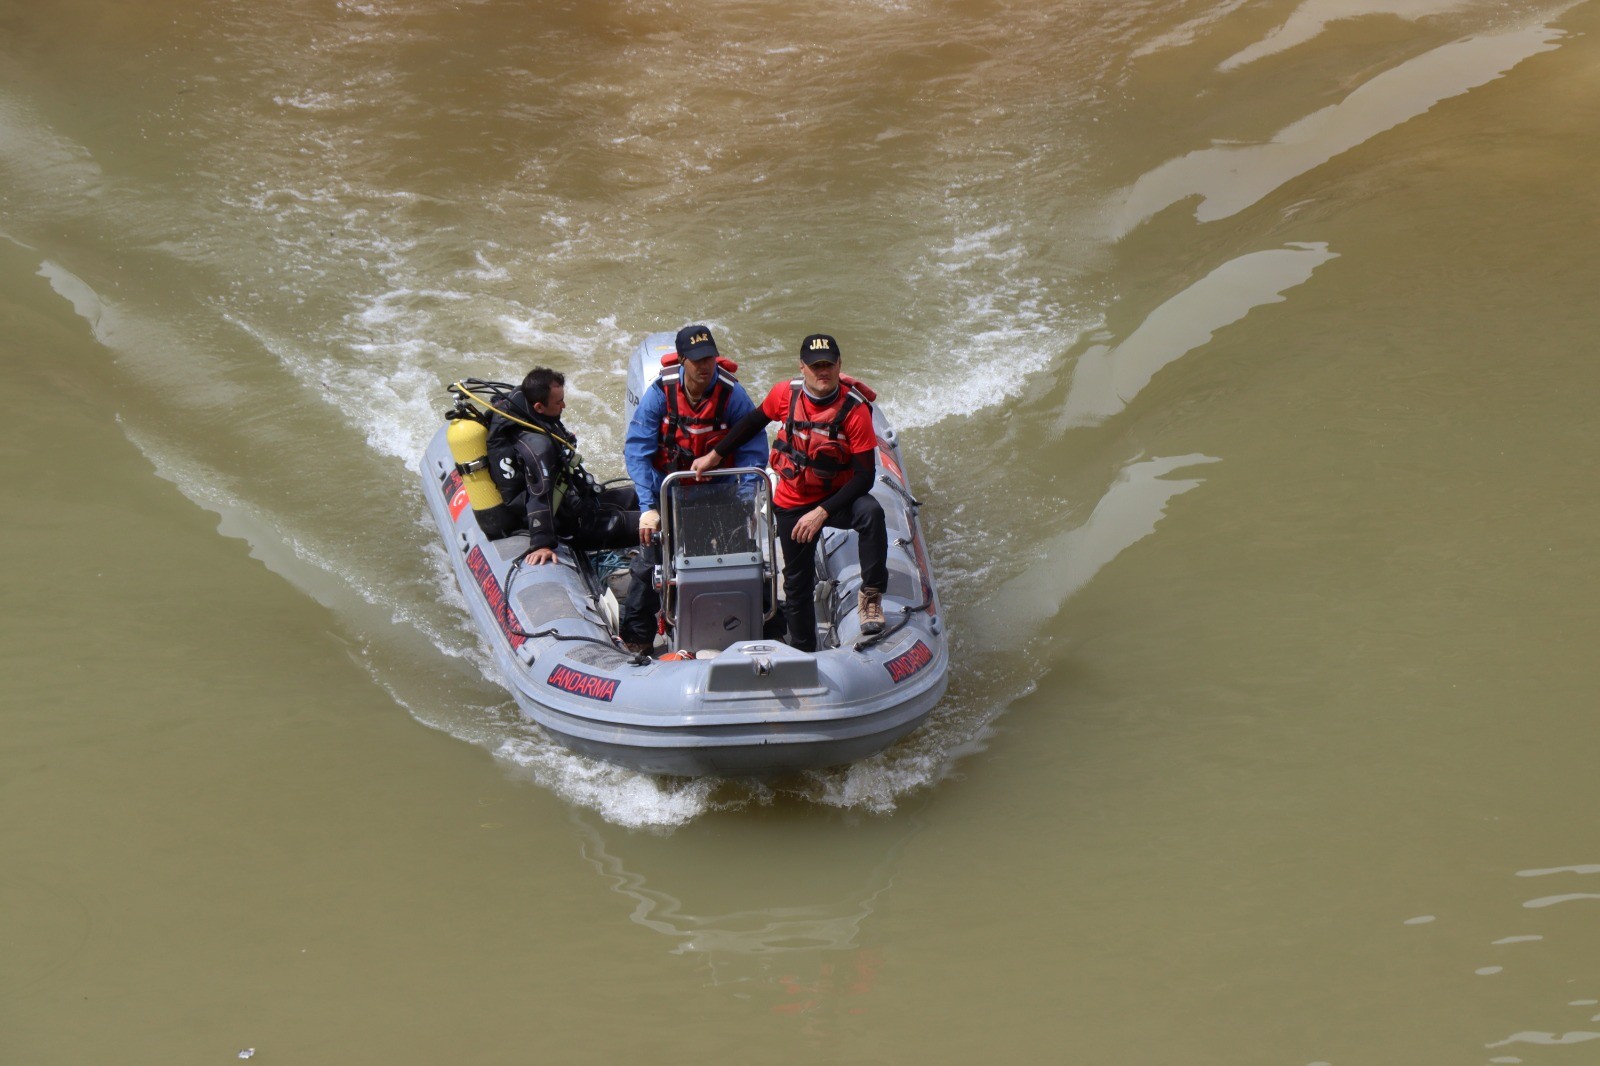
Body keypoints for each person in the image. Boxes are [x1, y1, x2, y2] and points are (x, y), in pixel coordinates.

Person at [692, 333, 887, 649]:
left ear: (839, 365)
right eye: (815, 366)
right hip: (794, 503)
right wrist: (715, 455)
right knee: (797, 586)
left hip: (837, 501)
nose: (821, 372)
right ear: (802, 368)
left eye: (828, 365)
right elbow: (752, 422)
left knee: (871, 512)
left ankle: (872, 596)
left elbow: (865, 477)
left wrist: (822, 512)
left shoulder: (855, 411)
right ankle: (804, 650)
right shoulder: (784, 394)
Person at [622, 325, 770, 652]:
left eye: (710, 359)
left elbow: (753, 450)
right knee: (649, 562)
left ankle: (755, 626)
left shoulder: (732, 394)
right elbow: (638, 449)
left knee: (742, 557)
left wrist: (745, 499)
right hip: (670, 493)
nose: (705, 367)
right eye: (698, 360)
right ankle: (637, 638)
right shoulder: (660, 393)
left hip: (720, 494)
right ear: (683, 361)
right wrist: (648, 507)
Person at [485, 365, 642, 570]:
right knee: (662, 522)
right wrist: (542, 544)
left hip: (576, 503)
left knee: (644, 496)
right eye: (558, 402)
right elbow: (539, 494)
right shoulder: (537, 447)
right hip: (571, 526)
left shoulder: (523, 410)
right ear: (539, 406)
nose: (564, 406)